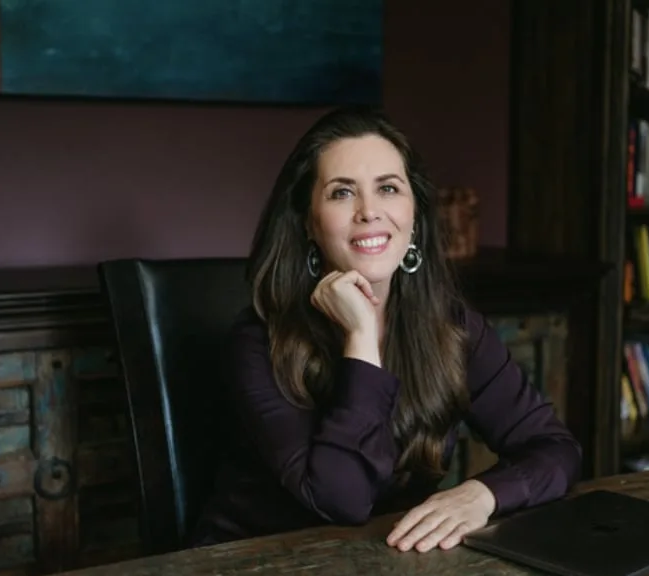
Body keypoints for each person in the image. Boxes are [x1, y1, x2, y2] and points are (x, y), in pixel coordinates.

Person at [191, 107, 582, 553]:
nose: (369, 212)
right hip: (256, 570)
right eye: (342, 193)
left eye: (389, 188)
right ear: (308, 221)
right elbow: (342, 500)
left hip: (386, 565)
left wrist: (483, 494)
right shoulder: (260, 342)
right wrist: (360, 340)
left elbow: (555, 448)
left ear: (414, 214)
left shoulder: (450, 326)